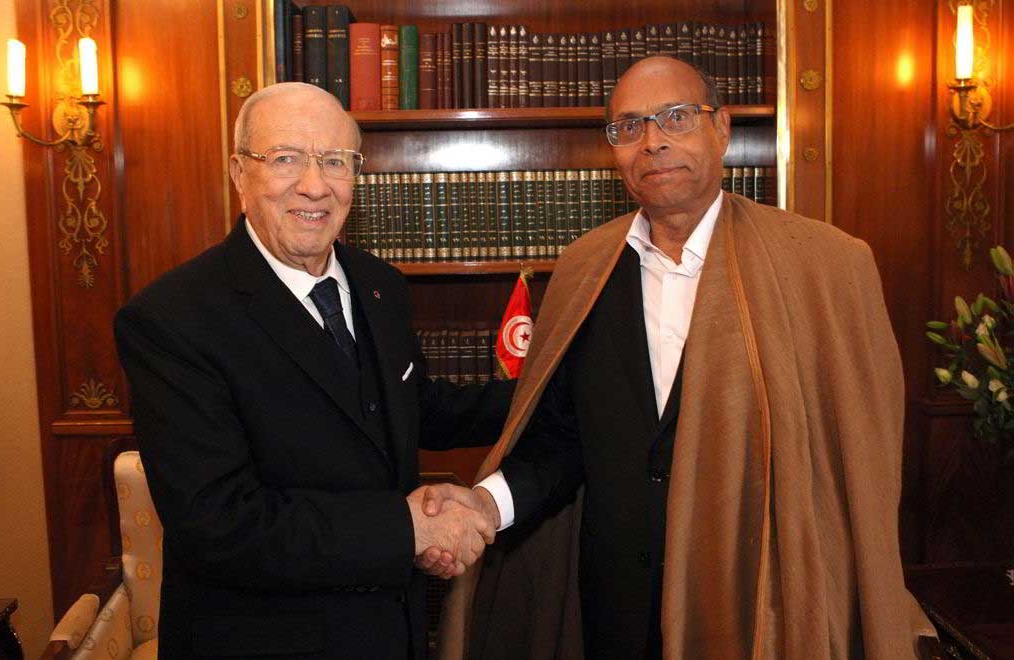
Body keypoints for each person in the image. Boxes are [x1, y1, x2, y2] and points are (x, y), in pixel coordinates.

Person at [426, 56, 936, 659]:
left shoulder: (823, 266)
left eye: (676, 117)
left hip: (756, 607)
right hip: (611, 611)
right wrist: (487, 504)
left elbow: (857, 459)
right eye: (629, 126)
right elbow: (563, 439)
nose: (653, 141)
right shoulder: (585, 269)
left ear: (721, 128)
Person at [113, 82, 512, 660]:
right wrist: (407, 529)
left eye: (335, 161)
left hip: (392, 632)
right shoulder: (172, 319)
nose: (315, 185)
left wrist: (547, 389)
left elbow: (409, 408)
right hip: (261, 641)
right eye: (286, 158)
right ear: (239, 173)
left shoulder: (380, 285)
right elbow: (218, 523)